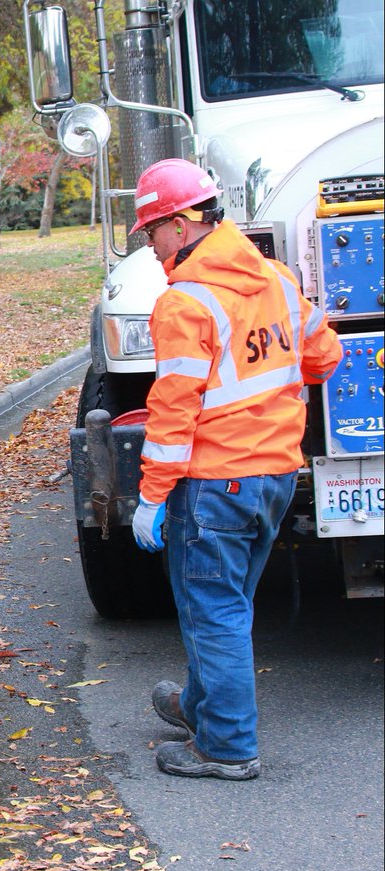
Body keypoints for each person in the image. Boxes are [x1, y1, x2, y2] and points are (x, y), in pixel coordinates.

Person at [128, 158, 342, 780]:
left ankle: (226, 747)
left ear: (178, 225)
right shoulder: (273, 278)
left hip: (214, 482)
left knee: (213, 610)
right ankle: (201, 705)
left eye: (151, 233)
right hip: (273, 475)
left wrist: (151, 495)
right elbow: (323, 358)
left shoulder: (184, 304)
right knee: (224, 602)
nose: (150, 246)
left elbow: (173, 411)